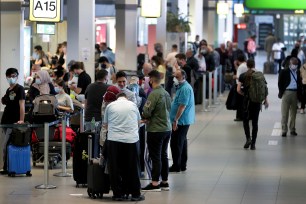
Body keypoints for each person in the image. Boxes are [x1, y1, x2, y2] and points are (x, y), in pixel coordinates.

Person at [104, 92, 145, 201]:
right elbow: (138, 122)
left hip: (114, 140)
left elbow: (106, 124)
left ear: (117, 99)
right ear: (126, 98)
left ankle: (118, 194)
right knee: (133, 167)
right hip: (131, 140)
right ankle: (135, 194)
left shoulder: (110, 106)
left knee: (115, 168)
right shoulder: (133, 105)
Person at [141, 70, 172, 192]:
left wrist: (145, 116)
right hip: (166, 128)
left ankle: (154, 183)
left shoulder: (153, 94)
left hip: (156, 130)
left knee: (155, 156)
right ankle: (164, 182)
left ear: (152, 80)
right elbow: (169, 109)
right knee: (164, 155)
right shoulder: (166, 93)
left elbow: (147, 111)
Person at [237, 59, 269, 150]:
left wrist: (245, 94)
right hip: (257, 102)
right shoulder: (260, 75)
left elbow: (238, 89)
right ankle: (253, 144)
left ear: (247, 65)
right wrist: (266, 100)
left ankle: (248, 138)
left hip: (247, 102)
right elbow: (264, 89)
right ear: (254, 65)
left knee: (246, 121)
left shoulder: (243, 75)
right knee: (255, 122)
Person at [169, 69, 195, 173]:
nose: (175, 78)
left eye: (177, 76)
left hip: (181, 121)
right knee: (182, 142)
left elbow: (182, 106)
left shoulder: (185, 89)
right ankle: (182, 164)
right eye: (174, 76)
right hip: (182, 120)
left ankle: (176, 165)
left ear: (183, 77)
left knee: (176, 143)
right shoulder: (181, 87)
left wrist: (176, 120)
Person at [0, 68, 25, 174]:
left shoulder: (20, 89)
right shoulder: (8, 89)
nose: (11, 78)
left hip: (14, 121)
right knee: (8, 145)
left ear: (17, 76)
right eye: (9, 76)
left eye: (13, 76)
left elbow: (22, 105)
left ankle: (6, 167)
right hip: (5, 120)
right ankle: (8, 166)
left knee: (6, 145)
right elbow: (4, 101)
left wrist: (21, 120)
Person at [84, 69, 109, 157]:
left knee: (90, 142)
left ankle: (89, 162)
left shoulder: (89, 86)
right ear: (106, 77)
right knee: (101, 142)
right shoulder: (108, 88)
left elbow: (86, 103)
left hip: (89, 117)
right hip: (101, 118)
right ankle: (99, 163)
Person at [278, 57, 302, 137]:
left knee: (293, 113)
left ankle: (292, 129)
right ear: (290, 64)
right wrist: (281, 91)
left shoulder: (298, 72)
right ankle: (284, 130)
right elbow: (280, 82)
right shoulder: (284, 71)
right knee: (285, 113)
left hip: (295, 93)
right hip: (287, 92)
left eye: (296, 64)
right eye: (294, 64)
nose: (295, 66)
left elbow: (299, 83)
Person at [233, 54, 248, 121]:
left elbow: (239, 76)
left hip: (240, 85)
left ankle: (240, 116)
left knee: (240, 103)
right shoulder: (246, 65)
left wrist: (234, 77)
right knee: (244, 102)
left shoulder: (241, 67)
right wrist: (236, 65)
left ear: (238, 60)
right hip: (245, 85)